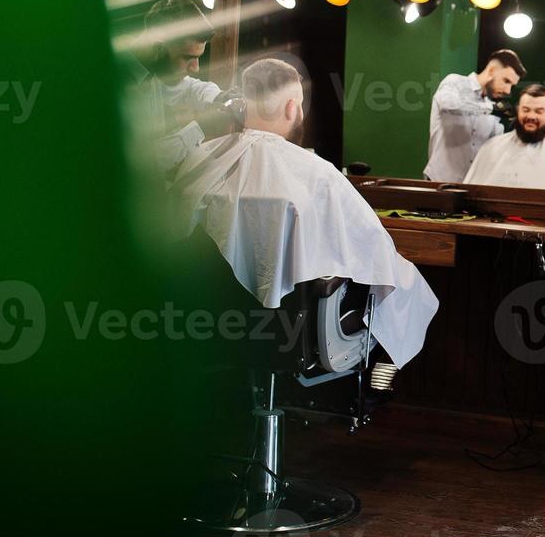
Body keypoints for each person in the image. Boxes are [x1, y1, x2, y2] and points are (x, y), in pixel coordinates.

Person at [171, 58, 438, 367]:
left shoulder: (200, 161)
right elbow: (375, 251)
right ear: (291, 108)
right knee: (403, 289)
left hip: (202, 323)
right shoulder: (319, 175)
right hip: (291, 333)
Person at [125, 0, 240, 172]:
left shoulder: (153, 72)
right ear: (158, 49)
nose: (196, 68)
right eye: (188, 58)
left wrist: (219, 96)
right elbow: (138, 164)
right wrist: (201, 127)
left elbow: (190, 87)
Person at [423, 50, 525, 182]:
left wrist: (516, 131)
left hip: (471, 187)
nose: (508, 90)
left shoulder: (492, 111)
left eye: (512, 85)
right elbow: (448, 104)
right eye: (506, 81)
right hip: (437, 182)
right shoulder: (455, 82)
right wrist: (490, 109)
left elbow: (494, 151)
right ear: (492, 70)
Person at [462, 84, 545, 189]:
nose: (531, 116)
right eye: (526, 110)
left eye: (539, 111)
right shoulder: (491, 147)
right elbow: (471, 194)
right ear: (518, 110)